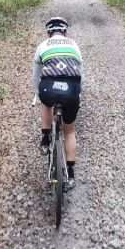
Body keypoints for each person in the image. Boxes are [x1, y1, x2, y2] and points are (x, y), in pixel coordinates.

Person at [32, 17, 83, 189]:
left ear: (49, 32)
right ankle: (71, 174)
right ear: (64, 31)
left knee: (46, 102)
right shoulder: (74, 44)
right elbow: (79, 72)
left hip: (49, 87)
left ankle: (45, 138)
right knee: (69, 131)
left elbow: (36, 76)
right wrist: (78, 94)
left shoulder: (43, 45)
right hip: (71, 89)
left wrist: (36, 93)